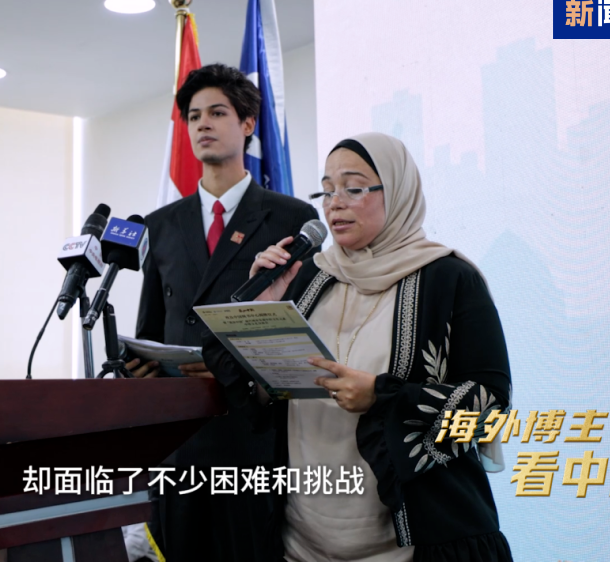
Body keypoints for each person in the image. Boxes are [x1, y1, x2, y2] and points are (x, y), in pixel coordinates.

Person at [203, 132, 513, 561]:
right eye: (326, 191)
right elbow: (273, 396)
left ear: (398, 191)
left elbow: (491, 408)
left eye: (353, 188)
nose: (334, 204)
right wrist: (265, 313)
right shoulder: (310, 277)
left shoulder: (450, 279)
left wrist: (382, 397)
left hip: (416, 545)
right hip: (303, 543)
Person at [131, 63, 321, 562]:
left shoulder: (291, 217)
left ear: (248, 123)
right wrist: (139, 366)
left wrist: (228, 365)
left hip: (252, 435)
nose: (203, 125)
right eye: (194, 116)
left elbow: (303, 329)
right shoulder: (160, 224)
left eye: (217, 113)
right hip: (178, 439)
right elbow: (151, 326)